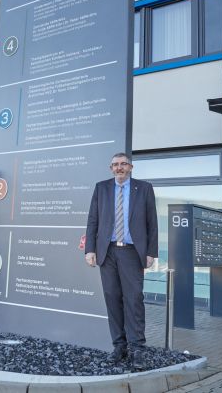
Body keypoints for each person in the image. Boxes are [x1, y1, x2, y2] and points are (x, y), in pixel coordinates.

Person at [85, 152, 158, 364]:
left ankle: (137, 348)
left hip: (132, 252)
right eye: (115, 165)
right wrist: (90, 249)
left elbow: (152, 223)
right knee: (112, 299)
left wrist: (151, 252)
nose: (119, 168)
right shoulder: (102, 188)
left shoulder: (144, 188)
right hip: (107, 252)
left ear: (131, 167)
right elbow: (92, 221)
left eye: (123, 164)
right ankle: (119, 346)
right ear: (111, 168)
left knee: (134, 299)